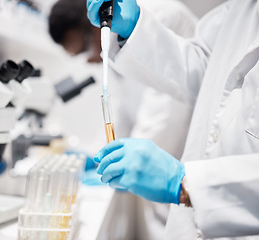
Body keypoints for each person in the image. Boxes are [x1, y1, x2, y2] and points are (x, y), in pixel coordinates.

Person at [87, 0, 259, 239]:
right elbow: (205, 66)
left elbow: (163, 118)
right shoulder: (244, 7)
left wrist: (186, 183)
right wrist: (134, 31)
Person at [49, 0, 198, 239]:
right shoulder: (117, 46)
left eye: (85, 49)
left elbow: (165, 114)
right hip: (168, 167)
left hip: (186, 162)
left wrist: (124, 161)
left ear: (98, 23)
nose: (88, 60)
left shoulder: (162, 17)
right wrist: (97, 155)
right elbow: (126, 110)